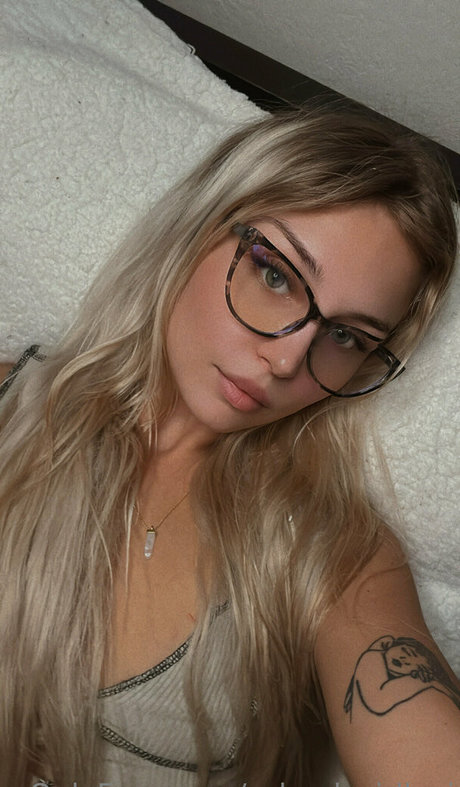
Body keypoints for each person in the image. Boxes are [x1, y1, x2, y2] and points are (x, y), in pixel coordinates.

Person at [0, 104, 459, 787]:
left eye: (344, 337)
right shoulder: (11, 407)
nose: (287, 359)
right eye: (276, 275)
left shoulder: (334, 551)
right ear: (199, 226)